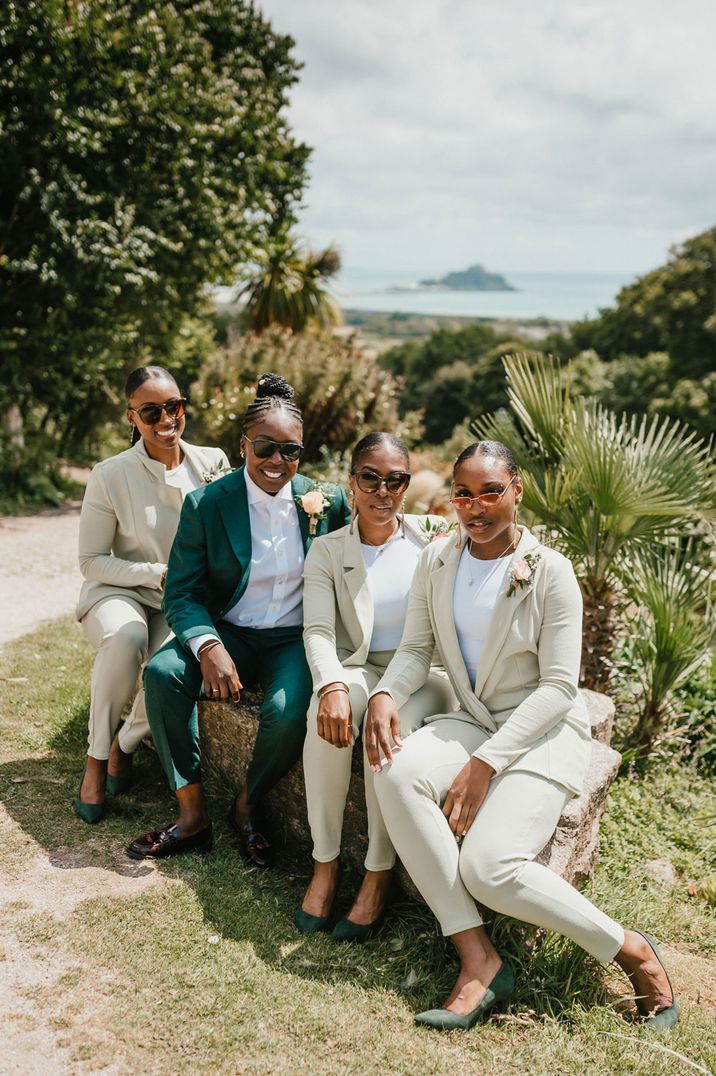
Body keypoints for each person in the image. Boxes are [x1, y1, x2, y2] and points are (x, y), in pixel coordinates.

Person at [364, 440, 679, 1030]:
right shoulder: (437, 561)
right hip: (476, 718)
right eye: (463, 492)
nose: (476, 506)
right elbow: (414, 650)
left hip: (543, 731)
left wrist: (484, 764)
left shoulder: (551, 572)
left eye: (491, 491)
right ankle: (478, 959)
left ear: (517, 490)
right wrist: (384, 694)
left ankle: (632, 952)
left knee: (491, 869)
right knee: (394, 769)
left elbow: (561, 688)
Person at [126, 373, 351, 866]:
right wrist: (207, 646)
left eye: (289, 451)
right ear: (243, 445)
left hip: (294, 638)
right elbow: (182, 593)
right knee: (162, 675)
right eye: (265, 448)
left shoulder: (325, 502)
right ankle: (192, 815)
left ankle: (246, 807)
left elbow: (367, 549)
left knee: (289, 711)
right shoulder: (207, 504)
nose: (277, 461)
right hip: (228, 629)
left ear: (301, 452)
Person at [296, 432, 457, 941]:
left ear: (407, 485)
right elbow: (319, 631)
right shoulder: (326, 550)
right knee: (325, 712)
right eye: (371, 477)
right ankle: (326, 864)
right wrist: (332, 686)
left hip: (427, 675)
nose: (382, 490)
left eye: (396, 480)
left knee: (388, 727)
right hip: (363, 665)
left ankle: (377, 872)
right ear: (352, 481)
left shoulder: (433, 537)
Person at [75, 365, 230, 823]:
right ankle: (96, 760)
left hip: (181, 603)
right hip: (119, 590)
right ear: (132, 417)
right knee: (126, 639)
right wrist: (154, 572)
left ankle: (125, 743)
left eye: (175, 406)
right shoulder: (109, 474)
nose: (167, 418)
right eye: (151, 411)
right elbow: (91, 560)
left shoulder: (213, 463)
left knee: (171, 665)